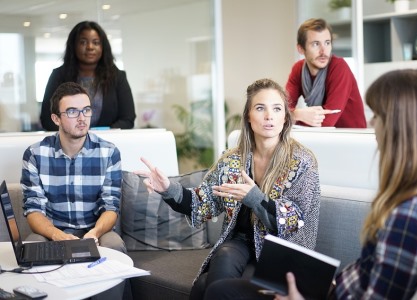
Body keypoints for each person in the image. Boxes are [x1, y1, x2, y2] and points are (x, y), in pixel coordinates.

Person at [205, 70, 417, 300]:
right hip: (334, 288)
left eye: (378, 116)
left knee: (221, 293)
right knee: (218, 287)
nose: (372, 124)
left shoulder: (413, 215)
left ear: (403, 127)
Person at [135, 78, 321, 300]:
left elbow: (294, 220)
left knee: (206, 285)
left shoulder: (302, 161)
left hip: (282, 251)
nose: (269, 116)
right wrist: (167, 188)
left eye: (277, 109)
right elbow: (202, 203)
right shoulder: (232, 160)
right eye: (260, 108)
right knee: (223, 255)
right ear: (249, 117)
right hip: (241, 242)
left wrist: (253, 197)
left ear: (285, 117)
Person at [22, 82, 125, 254]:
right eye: (72, 111)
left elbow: (111, 207)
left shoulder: (109, 152)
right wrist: (57, 235)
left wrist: (95, 233)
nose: (82, 118)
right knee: (31, 246)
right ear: (56, 119)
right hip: (52, 232)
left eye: (86, 110)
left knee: (114, 246)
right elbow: (33, 209)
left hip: (95, 231)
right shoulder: (35, 154)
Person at [40, 21, 136, 131]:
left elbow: (127, 119)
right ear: (73, 46)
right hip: (68, 144)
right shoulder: (58, 76)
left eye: (96, 42)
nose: (90, 47)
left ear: (103, 47)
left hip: (107, 143)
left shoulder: (118, 77)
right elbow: (47, 120)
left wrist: (99, 136)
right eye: (83, 42)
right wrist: (76, 134)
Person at [285, 18, 366, 128]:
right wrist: (297, 114)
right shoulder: (298, 69)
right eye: (315, 44)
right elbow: (282, 111)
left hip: (351, 138)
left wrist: (294, 116)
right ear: (301, 49)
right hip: (321, 138)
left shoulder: (339, 67)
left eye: (327, 43)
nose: (323, 51)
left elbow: (327, 121)